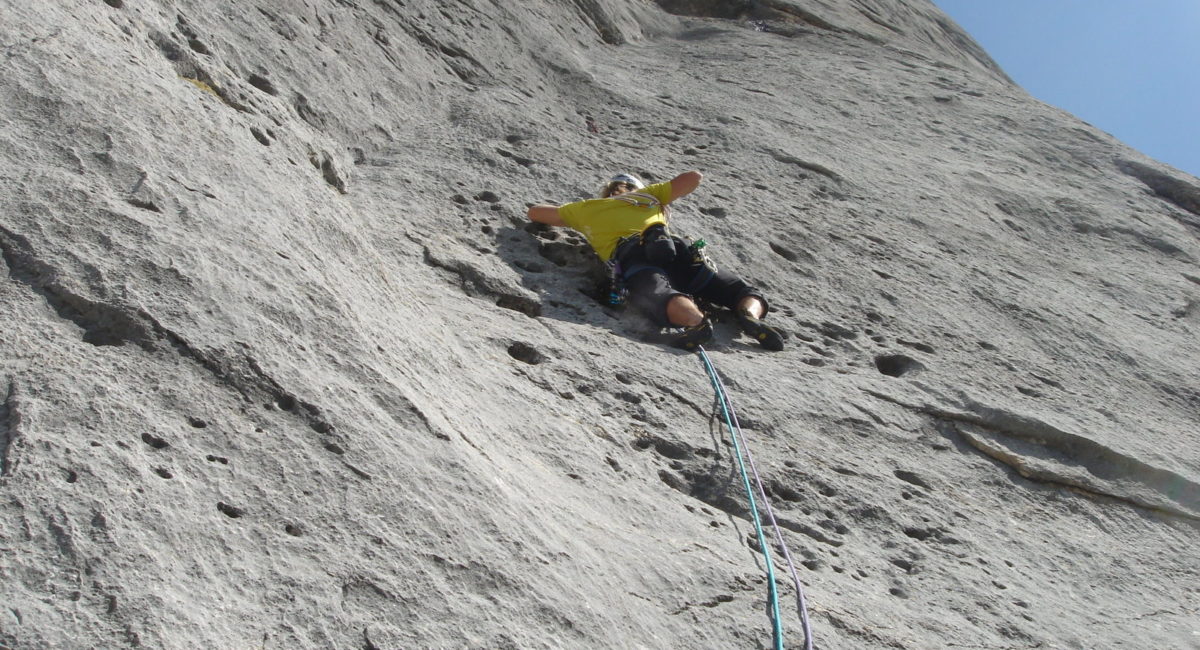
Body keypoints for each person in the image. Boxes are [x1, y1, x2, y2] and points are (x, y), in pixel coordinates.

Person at [527, 171, 784, 351]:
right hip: (675, 247)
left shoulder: (587, 209)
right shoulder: (648, 197)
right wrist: (659, 197)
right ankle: (749, 314)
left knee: (658, 293)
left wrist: (578, 215)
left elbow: (535, 212)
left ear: (607, 191)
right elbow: (694, 177)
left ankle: (696, 322)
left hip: (634, 253)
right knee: (737, 290)